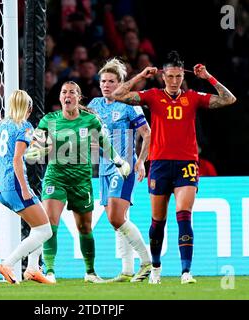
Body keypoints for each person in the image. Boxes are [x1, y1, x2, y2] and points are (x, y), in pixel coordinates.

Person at [112, 51, 236, 284]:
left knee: (183, 216)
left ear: (182, 76)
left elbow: (229, 99)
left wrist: (208, 77)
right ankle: (156, 267)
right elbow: (118, 94)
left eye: (178, 76)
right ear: (162, 76)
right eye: (170, 76)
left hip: (187, 164)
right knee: (158, 221)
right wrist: (140, 75)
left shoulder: (193, 97)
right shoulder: (152, 96)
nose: (174, 81)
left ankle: (186, 272)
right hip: (159, 164)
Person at [26, 81, 131, 284]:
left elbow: (104, 142)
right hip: (55, 177)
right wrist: (36, 151)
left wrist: (118, 161)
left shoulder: (90, 120)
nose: (68, 95)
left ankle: (90, 272)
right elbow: (32, 151)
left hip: (81, 179)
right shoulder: (49, 120)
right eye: (64, 92)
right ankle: (49, 271)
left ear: (78, 97)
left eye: (72, 92)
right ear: (60, 98)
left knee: (84, 228)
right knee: (50, 225)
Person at [87, 58, 152, 282]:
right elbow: (90, 135)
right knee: (118, 220)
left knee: (116, 217)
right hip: (104, 169)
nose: (106, 85)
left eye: (111, 81)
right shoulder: (94, 105)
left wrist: (141, 161)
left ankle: (146, 262)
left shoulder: (129, 105)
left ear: (120, 82)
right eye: (103, 81)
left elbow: (147, 133)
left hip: (123, 167)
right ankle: (126, 270)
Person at [0, 89, 53, 285]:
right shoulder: (25, 126)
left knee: (37, 226)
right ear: (28, 107)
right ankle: (8, 264)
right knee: (45, 230)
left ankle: (32, 269)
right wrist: (23, 188)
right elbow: (17, 160)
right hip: (14, 185)